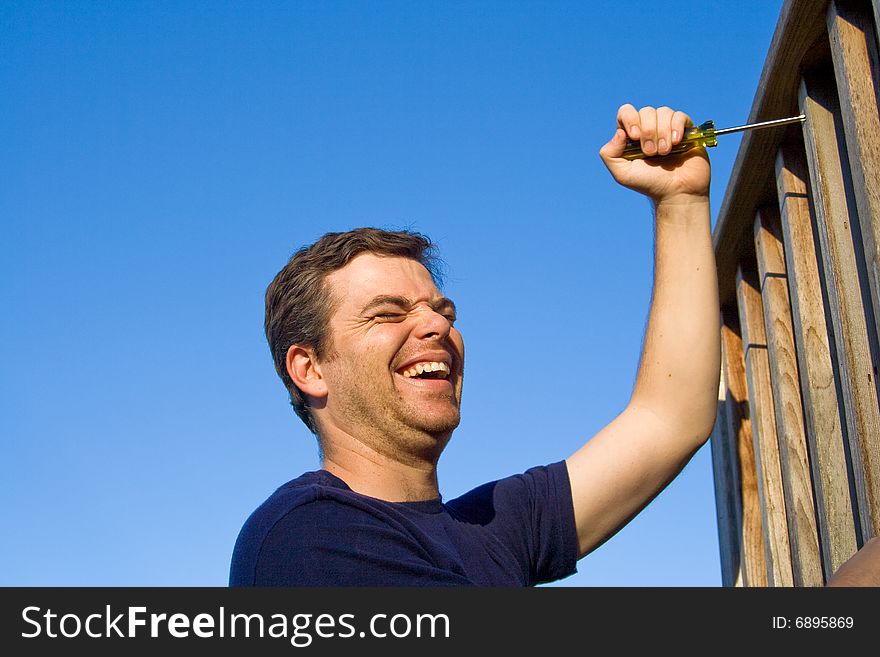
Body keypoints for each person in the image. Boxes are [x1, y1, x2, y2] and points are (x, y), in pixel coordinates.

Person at [229, 104, 878, 586]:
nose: (434, 327)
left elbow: (667, 419)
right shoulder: (305, 540)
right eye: (388, 313)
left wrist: (681, 202)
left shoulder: (488, 525)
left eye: (440, 307)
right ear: (309, 367)